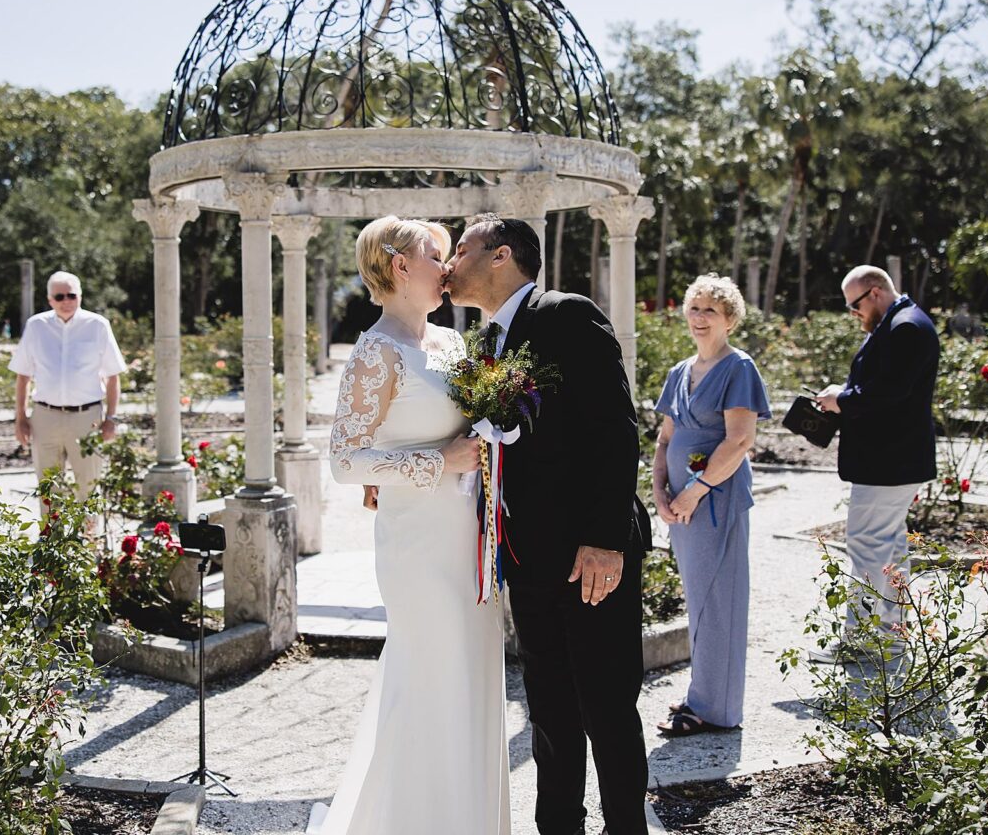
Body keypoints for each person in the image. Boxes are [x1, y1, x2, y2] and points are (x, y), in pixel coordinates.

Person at [446, 215, 652, 835]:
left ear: (500, 255)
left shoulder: (566, 314)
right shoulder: (486, 343)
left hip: (591, 555)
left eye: (461, 248)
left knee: (607, 710)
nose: (450, 263)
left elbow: (615, 430)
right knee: (550, 714)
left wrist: (605, 540)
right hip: (528, 557)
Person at [316, 216, 500, 835]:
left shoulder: (451, 342)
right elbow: (345, 461)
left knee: (471, 674)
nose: (447, 270)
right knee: (429, 676)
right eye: (435, 257)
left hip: (469, 535)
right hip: (417, 547)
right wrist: (435, 461)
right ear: (399, 266)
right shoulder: (375, 352)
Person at [651, 275, 770, 736]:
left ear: (730, 320)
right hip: (680, 505)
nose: (699, 318)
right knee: (698, 598)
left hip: (713, 500)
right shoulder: (680, 372)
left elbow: (740, 441)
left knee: (720, 599)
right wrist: (660, 491)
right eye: (694, 308)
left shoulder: (738, 368)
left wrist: (692, 492)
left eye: (710, 311)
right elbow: (665, 438)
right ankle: (703, 693)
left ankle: (715, 710)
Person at [812, 265, 939, 662]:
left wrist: (843, 400)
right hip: (893, 460)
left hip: (889, 462)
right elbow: (885, 386)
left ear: (875, 292)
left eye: (855, 306)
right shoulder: (902, 323)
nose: (854, 314)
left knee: (866, 546)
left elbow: (890, 393)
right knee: (889, 548)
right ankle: (892, 635)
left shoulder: (906, 327)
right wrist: (844, 393)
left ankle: (864, 641)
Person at [9, 272, 125, 515]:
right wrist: (20, 418)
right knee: (48, 488)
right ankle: (52, 548)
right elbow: (23, 376)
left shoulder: (97, 325)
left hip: (87, 417)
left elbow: (113, 376)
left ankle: (89, 547)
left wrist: (111, 419)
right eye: (59, 296)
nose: (66, 301)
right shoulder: (36, 326)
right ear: (50, 299)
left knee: (89, 486)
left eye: (71, 295)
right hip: (45, 416)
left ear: (80, 296)